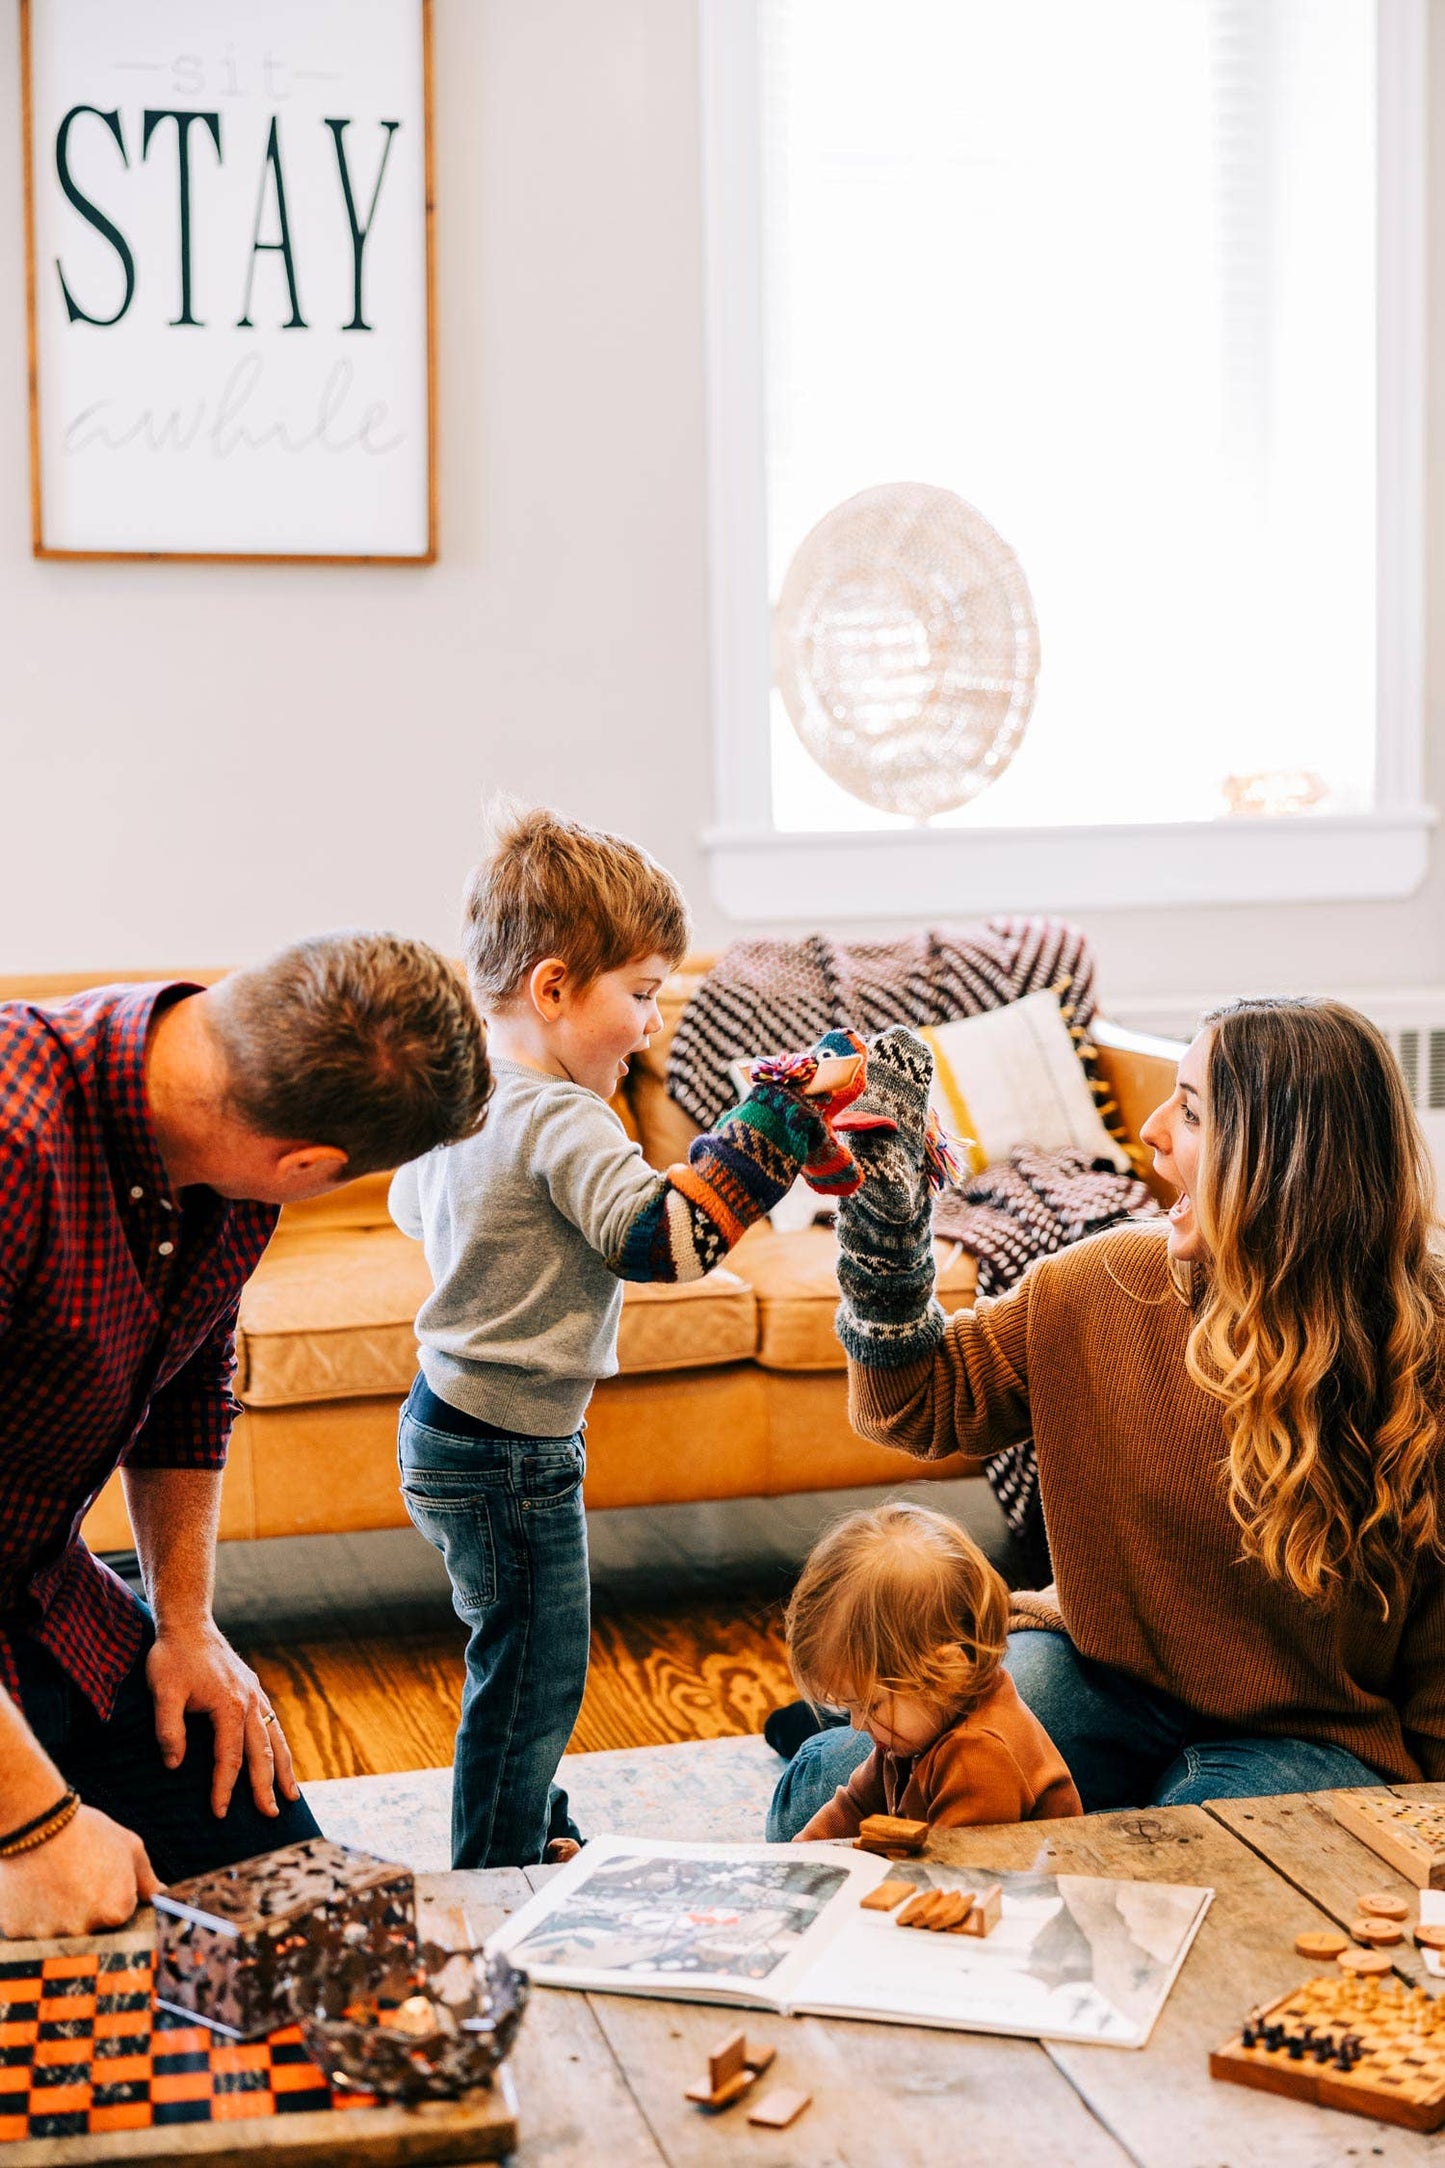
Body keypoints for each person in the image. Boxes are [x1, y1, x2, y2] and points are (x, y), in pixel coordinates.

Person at [769, 1003, 1445, 1838]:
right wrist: (886, 1227)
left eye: (1192, 1111)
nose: (1153, 1131)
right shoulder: (1102, 1284)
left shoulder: (1426, 1339)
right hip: (1098, 1674)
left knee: (1197, 1847)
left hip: (1308, 1733)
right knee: (831, 1777)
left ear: (1287, 1161)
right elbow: (911, 1405)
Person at [390, 806, 868, 1870]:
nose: (651, 1024)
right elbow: (667, 1239)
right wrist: (780, 1120)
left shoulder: (463, 1094)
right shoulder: (563, 1118)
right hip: (508, 1448)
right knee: (535, 1668)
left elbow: (407, 1211)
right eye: (642, 994)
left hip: (447, 1424)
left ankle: (536, 1825)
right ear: (553, 987)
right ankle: (499, 1867)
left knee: (514, 1647)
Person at [0, 933, 492, 1940]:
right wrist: (35, 1824)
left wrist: (186, 1624)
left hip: (37, 1582)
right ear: (309, 1165)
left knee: (315, 1920)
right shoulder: (15, 1143)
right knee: (61, 1926)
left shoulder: (224, 1141)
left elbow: (187, 1387)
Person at [779, 1500, 1080, 1842]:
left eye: (871, 1705)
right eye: (851, 1706)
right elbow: (857, 1805)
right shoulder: (914, 1728)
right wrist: (804, 1854)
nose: (858, 1723)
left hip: (1008, 1884)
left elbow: (949, 1874)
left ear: (948, 1672)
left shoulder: (978, 1758)